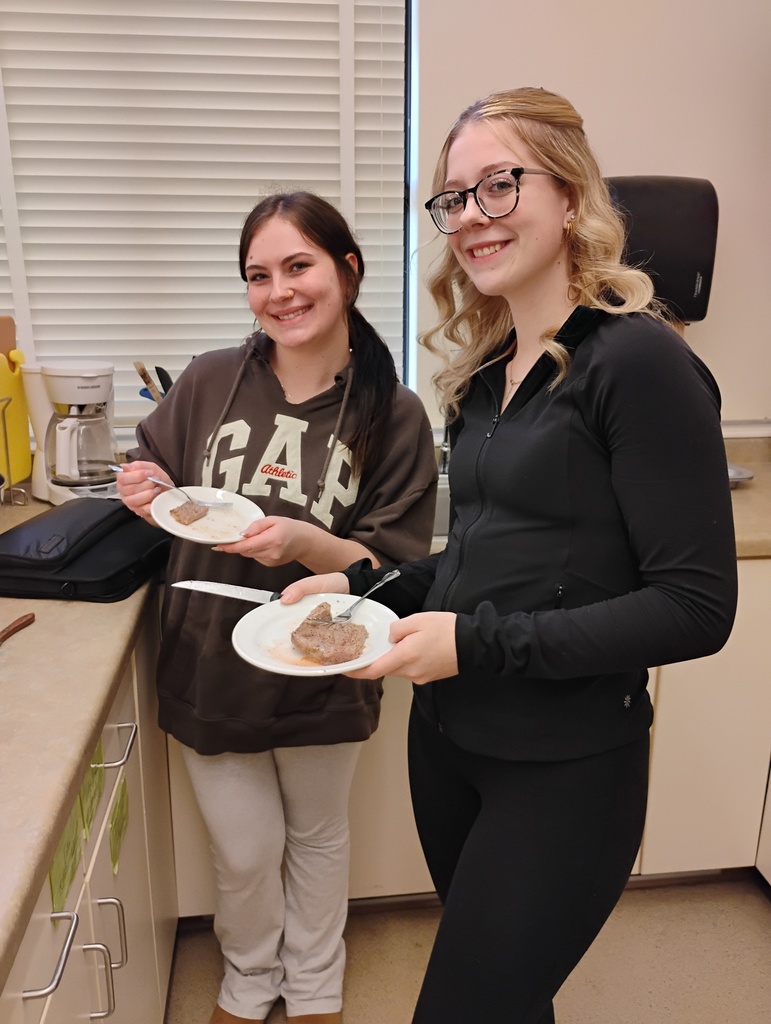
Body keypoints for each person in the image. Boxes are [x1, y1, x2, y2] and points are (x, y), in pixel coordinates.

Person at [280, 89, 738, 1023]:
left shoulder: (637, 363)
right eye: (454, 198)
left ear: (569, 194)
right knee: (509, 1001)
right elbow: (487, 553)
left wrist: (475, 646)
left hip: (564, 769)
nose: (472, 219)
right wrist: (366, 582)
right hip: (448, 745)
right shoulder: (486, 373)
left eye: (500, 185)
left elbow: (695, 608)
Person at [115, 191, 438, 1024]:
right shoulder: (209, 378)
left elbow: (390, 566)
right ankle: (249, 980)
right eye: (259, 275)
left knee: (319, 835)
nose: (279, 291)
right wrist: (141, 484)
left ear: (347, 270)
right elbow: (154, 475)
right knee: (246, 848)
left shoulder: (394, 415)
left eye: (298, 266)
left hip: (323, 657)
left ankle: (316, 984)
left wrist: (302, 543)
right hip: (207, 656)